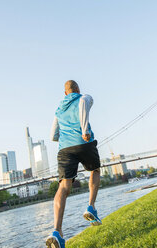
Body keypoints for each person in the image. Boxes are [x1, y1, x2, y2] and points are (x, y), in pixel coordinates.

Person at [46, 80, 102, 248]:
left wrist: (65, 137)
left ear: (65, 93)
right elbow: (84, 103)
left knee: (63, 188)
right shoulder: (84, 97)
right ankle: (91, 207)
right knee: (95, 170)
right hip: (84, 143)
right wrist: (84, 129)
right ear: (78, 90)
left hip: (65, 149)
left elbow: (52, 136)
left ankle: (57, 231)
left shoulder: (58, 109)